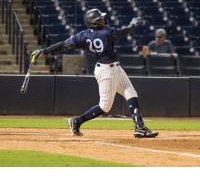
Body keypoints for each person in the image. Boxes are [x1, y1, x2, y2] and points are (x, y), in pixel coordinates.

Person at [32, 9, 158, 138]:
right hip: (107, 71)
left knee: (131, 93)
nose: (103, 20)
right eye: (100, 19)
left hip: (113, 69)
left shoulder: (83, 35)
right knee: (105, 106)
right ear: (95, 23)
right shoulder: (107, 33)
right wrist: (133, 25)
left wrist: (44, 51)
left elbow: (63, 45)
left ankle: (140, 128)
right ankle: (77, 121)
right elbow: (123, 32)